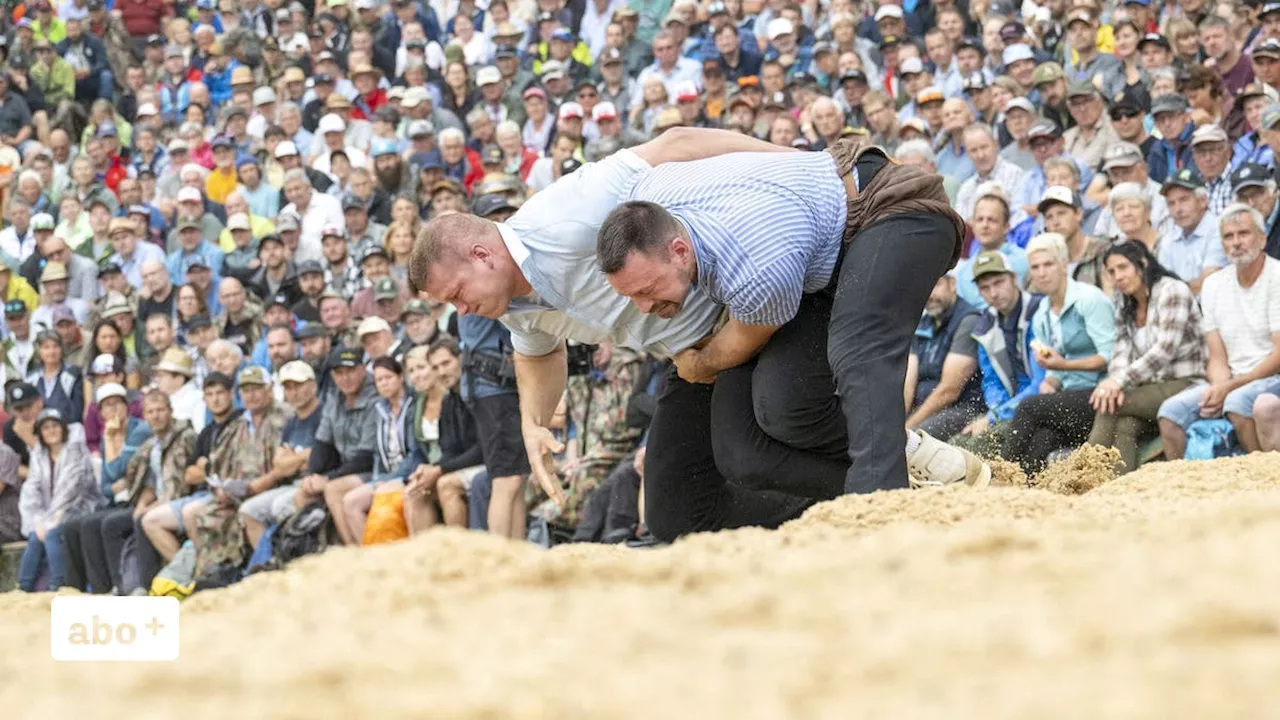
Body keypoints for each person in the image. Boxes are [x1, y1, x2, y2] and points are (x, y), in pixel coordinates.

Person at [411, 127, 989, 543]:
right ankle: (848, 502)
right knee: (674, 510)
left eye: (457, 293)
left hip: (741, 309)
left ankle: (883, 492)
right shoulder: (510, 303)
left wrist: (784, 162)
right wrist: (534, 423)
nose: (462, 311)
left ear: (484, 253)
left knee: (769, 425)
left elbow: (676, 145)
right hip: (689, 351)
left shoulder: (569, 215)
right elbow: (537, 353)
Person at [1157, 203, 1280, 457]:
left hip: (1272, 377)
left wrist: (1231, 387)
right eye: (1228, 236)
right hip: (1235, 380)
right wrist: (1219, 387)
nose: (1236, 242)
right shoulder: (1213, 285)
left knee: (1238, 402)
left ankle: (1263, 479)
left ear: (1262, 238)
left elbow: (1278, 355)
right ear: (1222, 244)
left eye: (1243, 233)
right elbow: (1217, 355)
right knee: (1170, 413)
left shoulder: (1276, 276)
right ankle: (1181, 490)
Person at [1086, 242, 1206, 473]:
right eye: (1112, 272)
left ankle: (1084, 474)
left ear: (1142, 264)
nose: (1118, 276)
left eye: (1123, 267)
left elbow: (1163, 351)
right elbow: (1121, 351)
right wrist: (1114, 384)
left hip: (1186, 382)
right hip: (1150, 385)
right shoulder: (1124, 301)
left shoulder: (1172, 290)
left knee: (1109, 407)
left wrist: (1118, 382)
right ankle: (1120, 489)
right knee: (1124, 424)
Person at [1002, 233, 1116, 474]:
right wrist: (1052, 380)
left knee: (1027, 407)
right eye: (1035, 267)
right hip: (1069, 397)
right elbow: (1053, 368)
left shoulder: (1089, 299)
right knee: (1041, 441)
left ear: (1064, 264)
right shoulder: (1042, 312)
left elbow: (1111, 356)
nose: (1042, 273)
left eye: (1048, 264)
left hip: (1102, 395)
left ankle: (998, 474)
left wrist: (1063, 366)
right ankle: (1021, 495)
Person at [403, 340, 484, 533]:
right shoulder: (450, 401)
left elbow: (483, 449)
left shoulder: (479, 392)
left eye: (446, 364)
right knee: (416, 490)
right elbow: (449, 449)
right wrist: (431, 469)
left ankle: (456, 553)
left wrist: (440, 469)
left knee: (446, 484)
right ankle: (428, 558)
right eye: (435, 367)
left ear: (460, 359)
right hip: (465, 465)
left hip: (489, 462)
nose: (441, 372)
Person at [17, 409, 100, 591]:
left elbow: (72, 490)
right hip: (51, 514)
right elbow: (31, 489)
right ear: (40, 433)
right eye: (46, 427)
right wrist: (38, 519)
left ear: (63, 428)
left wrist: (51, 520)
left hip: (79, 509)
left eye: (55, 425)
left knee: (53, 534)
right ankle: (23, 587)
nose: (51, 431)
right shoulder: (39, 455)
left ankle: (59, 585)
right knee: (35, 536)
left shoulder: (75, 450)